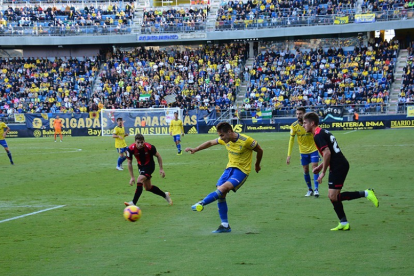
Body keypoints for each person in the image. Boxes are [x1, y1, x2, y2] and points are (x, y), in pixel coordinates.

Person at [302, 112, 379, 231]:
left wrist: (323, 171)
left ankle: (367, 193)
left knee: (333, 196)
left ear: (312, 123)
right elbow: (330, 153)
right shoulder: (321, 132)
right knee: (333, 196)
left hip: (338, 166)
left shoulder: (318, 135)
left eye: (305, 123)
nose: (303, 125)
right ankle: (343, 222)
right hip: (338, 164)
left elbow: (327, 153)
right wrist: (322, 165)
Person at [185, 122, 263, 233]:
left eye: (222, 135)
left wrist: (257, 164)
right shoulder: (225, 139)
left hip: (241, 171)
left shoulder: (246, 141)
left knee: (222, 189)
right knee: (221, 193)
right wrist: (195, 149)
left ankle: (201, 203)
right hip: (229, 169)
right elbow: (210, 142)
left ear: (230, 132)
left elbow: (259, 150)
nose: (220, 138)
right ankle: (225, 225)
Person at [124, 134, 173, 207]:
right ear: (135, 142)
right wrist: (132, 177)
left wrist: (161, 169)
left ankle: (133, 203)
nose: (140, 144)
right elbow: (129, 163)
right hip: (141, 167)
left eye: (142, 142)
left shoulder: (149, 147)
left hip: (150, 165)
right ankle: (165, 195)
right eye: (138, 142)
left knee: (139, 179)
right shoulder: (130, 149)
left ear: (144, 141)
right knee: (148, 187)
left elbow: (158, 156)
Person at [286, 107, 320, 197]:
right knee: (305, 170)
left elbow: (318, 136)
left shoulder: (311, 124)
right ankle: (310, 189)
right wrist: (289, 155)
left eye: (300, 113)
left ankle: (316, 189)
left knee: (315, 168)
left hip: (313, 150)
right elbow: (291, 140)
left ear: (304, 114)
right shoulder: (294, 126)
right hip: (303, 151)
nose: (298, 115)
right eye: (297, 114)